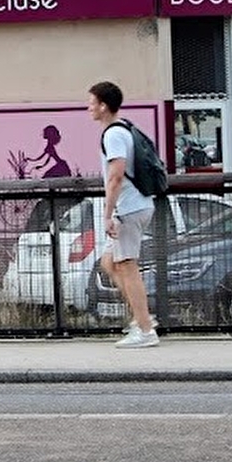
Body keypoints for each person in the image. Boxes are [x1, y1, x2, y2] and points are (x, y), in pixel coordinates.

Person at [88, 81, 159, 348]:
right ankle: (143, 318)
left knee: (128, 266)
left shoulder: (113, 135)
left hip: (128, 208)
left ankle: (145, 330)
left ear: (103, 106)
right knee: (109, 263)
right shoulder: (124, 128)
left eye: (92, 103)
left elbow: (116, 176)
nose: (89, 108)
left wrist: (107, 214)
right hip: (137, 204)